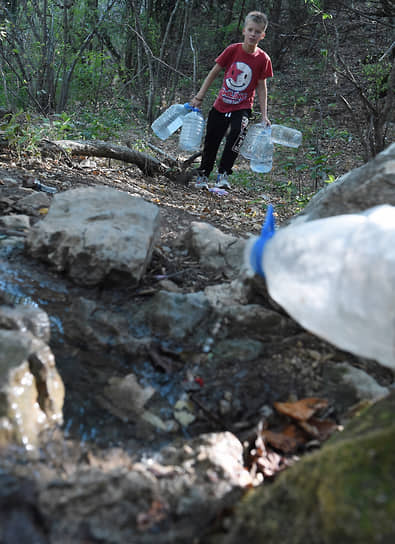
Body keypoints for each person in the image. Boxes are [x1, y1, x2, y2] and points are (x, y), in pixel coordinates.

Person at [190, 10, 273, 190]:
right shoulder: (232, 50)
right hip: (221, 105)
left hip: (242, 107)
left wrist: (264, 115)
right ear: (244, 30)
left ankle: (224, 174)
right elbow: (213, 74)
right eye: (250, 30)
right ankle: (203, 174)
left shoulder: (263, 59)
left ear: (262, 35)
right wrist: (199, 97)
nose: (253, 34)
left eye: (257, 31)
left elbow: (261, 87)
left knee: (237, 134)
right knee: (212, 139)